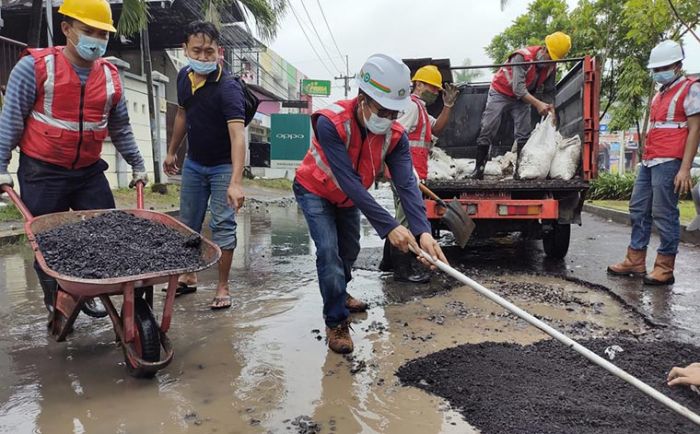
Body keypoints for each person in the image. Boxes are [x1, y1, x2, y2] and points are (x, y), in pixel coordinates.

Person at [0, 0, 148, 318]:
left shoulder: (110, 78)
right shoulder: (35, 68)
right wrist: (0, 166)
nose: (96, 39)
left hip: (88, 172)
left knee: (108, 234)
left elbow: (120, 128)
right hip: (42, 171)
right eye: (88, 30)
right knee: (48, 244)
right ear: (67, 29)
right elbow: (11, 120)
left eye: (102, 33)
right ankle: (57, 298)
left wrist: (137, 164)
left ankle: (89, 288)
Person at [294, 54, 448, 354]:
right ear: (363, 97)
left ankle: (339, 292)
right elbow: (347, 179)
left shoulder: (396, 137)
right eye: (384, 110)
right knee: (329, 252)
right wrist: (389, 227)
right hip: (316, 190)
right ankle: (336, 321)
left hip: (349, 198)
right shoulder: (331, 122)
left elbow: (406, 185)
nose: (390, 119)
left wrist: (422, 232)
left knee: (349, 251)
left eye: (395, 112)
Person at [163, 21, 246, 310]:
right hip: (195, 164)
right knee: (188, 224)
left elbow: (238, 135)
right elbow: (183, 115)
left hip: (223, 166)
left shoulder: (228, 88)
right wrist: (172, 151)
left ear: (218, 52)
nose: (202, 57)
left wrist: (236, 181)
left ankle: (222, 287)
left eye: (209, 51)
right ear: (185, 49)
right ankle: (189, 275)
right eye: (196, 50)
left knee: (223, 225)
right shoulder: (184, 77)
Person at [607, 39, 700, 285]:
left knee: (664, 213)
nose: (659, 73)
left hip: (670, 160)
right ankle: (635, 259)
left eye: (663, 68)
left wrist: (684, 168)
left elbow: (695, 129)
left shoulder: (690, 89)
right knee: (638, 208)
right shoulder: (661, 93)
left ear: (678, 65)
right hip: (650, 160)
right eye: (656, 69)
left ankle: (664, 267)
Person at [379, 64, 459, 283]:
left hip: (412, 171)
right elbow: (396, 135)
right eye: (432, 88)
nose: (435, 92)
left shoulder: (421, 109)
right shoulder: (411, 107)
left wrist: (448, 106)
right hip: (405, 172)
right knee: (404, 221)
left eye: (437, 89)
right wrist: (400, 169)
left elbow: (437, 129)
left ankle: (387, 262)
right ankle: (402, 271)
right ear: (418, 84)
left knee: (400, 216)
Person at [471, 31, 571, 179]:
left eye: (554, 60)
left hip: (522, 98)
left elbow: (549, 91)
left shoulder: (551, 66)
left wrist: (552, 109)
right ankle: (478, 170)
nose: (551, 61)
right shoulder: (522, 57)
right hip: (501, 92)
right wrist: (538, 104)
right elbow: (518, 90)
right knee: (488, 127)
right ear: (543, 49)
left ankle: (520, 172)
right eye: (550, 56)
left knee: (523, 133)